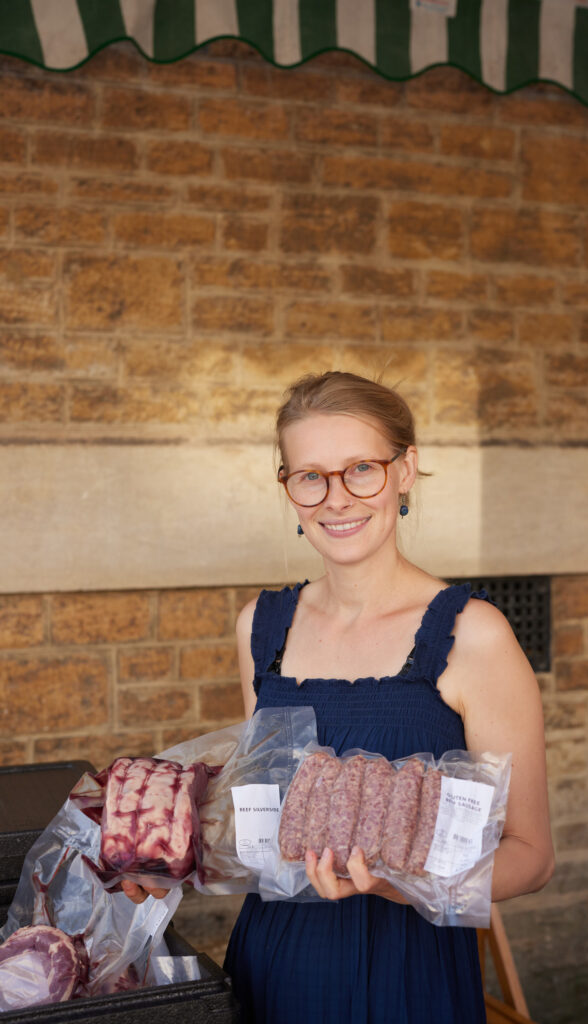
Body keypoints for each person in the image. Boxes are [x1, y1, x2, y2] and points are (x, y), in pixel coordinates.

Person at [125, 370, 554, 1023]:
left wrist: (392, 882)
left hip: (407, 974)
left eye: (360, 469)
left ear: (405, 470)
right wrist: (168, 853)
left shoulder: (473, 635)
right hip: (272, 960)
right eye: (310, 476)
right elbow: (266, 810)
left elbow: (530, 857)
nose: (336, 499)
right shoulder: (259, 627)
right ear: (290, 488)